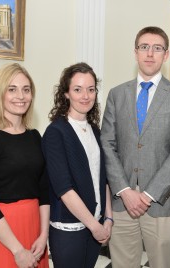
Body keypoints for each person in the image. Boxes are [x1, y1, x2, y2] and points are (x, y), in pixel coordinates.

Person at [101, 26, 170, 268]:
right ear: (135, 53)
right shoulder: (116, 94)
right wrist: (124, 189)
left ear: (166, 55)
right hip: (123, 203)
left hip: (162, 204)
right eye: (144, 47)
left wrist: (149, 194)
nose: (150, 53)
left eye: (157, 48)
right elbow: (107, 144)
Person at [0, 63, 50, 268]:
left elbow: (44, 191)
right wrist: (17, 250)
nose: (21, 96)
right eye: (12, 89)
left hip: (35, 230)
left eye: (26, 89)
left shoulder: (34, 137)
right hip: (4, 234)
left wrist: (43, 235)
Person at [42, 62, 113, 268]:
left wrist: (108, 218)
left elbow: (104, 179)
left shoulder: (95, 131)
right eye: (78, 89)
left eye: (91, 90)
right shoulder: (56, 133)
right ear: (66, 94)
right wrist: (94, 226)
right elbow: (63, 189)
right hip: (69, 228)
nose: (85, 96)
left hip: (96, 225)